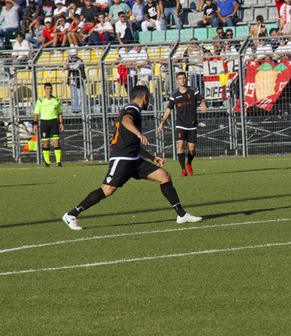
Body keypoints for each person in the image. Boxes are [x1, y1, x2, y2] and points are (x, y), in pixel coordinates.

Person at [62, 85, 201, 231]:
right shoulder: (132, 109)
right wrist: (140, 134)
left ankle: (181, 214)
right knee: (107, 190)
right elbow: (125, 120)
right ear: (145, 98)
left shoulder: (134, 110)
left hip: (133, 159)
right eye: (149, 98)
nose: (149, 101)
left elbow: (132, 142)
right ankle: (72, 214)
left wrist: (152, 157)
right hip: (122, 158)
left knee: (164, 176)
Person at [156, 71, 207, 177]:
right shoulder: (174, 94)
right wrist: (162, 122)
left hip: (192, 124)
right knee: (180, 147)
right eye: (180, 78)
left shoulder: (193, 91)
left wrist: (203, 103)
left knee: (192, 149)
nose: (182, 80)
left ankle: (189, 163)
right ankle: (183, 169)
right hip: (180, 124)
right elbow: (169, 109)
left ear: (186, 79)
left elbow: (202, 99)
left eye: (184, 78)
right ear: (177, 80)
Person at [32, 82, 64, 167]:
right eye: (47, 89)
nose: (49, 91)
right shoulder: (40, 101)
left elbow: (59, 113)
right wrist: (35, 124)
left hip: (53, 122)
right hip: (44, 123)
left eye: (50, 89)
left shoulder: (56, 100)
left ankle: (58, 162)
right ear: (44, 90)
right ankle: (47, 162)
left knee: (56, 142)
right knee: (45, 143)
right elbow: (36, 113)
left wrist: (61, 123)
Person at [66, 48, 86, 113]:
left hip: (79, 80)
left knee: (80, 95)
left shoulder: (79, 60)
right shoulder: (69, 61)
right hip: (72, 80)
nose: (72, 57)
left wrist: (68, 67)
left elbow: (75, 67)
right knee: (74, 95)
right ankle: (74, 109)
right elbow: (65, 65)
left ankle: (80, 109)